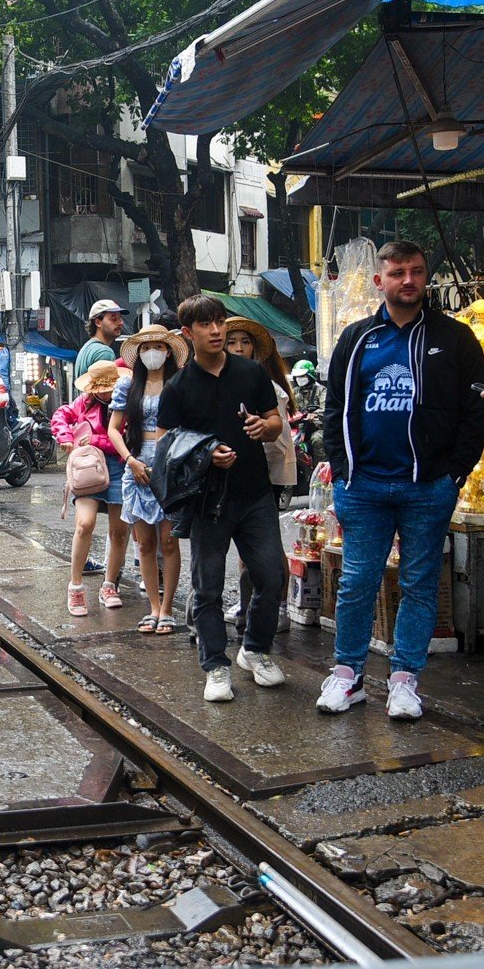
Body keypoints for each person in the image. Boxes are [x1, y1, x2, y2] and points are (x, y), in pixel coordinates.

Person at [316, 242, 484, 721]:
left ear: (425, 277)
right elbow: (335, 410)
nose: (408, 280)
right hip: (365, 486)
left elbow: (476, 410)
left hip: (428, 486)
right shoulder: (355, 339)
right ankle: (347, 675)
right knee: (356, 583)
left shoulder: (454, 338)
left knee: (419, 584)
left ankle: (405, 680)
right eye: (397, 273)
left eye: (416, 271)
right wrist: (344, 469)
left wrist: (455, 472)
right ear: (380, 281)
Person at [158, 294, 288, 702]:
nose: (216, 331)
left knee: (272, 576)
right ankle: (215, 664)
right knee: (208, 587)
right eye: (206, 325)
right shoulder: (177, 388)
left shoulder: (250, 372)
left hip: (255, 494)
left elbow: (274, 420)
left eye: (220, 323)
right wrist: (206, 453)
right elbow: (166, 446)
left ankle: (255, 649)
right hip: (208, 502)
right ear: (187, 333)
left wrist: (262, 428)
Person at [108, 324, 187, 634]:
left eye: (159, 345)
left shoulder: (179, 384)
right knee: (144, 544)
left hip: (171, 468)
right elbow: (114, 428)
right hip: (136, 467)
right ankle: (153, 608)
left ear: (168, 350)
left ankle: (168, 610)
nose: (152, 351)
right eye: (146, 346)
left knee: (169, 542)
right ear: (138, 353)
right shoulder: (128, 387)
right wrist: (130, 459)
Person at [223, 317, 299, 633]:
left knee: (265, 548)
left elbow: (277, 438)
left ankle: (277, 606)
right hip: (239, 474)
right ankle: (252, 603)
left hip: (264, 476)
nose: (239, 348)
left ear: (256, 348)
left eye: (245, 342)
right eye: (232, 342)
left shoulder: (266, 385)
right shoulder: (229, 380)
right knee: (248, 548)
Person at [52, 361, 133, 617]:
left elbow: (128, 439)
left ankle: (109, 585)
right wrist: (65, 437)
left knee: (119, 531)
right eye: (100, 388)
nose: (105, 393)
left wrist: (97, 439)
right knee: (84, 524)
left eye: (108, 387)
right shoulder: (85, 402)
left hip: (120, 467)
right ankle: (75, 585)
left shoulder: (128, 402)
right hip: (89, 467)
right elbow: (60, 415)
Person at [76, 299, 128, 376]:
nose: (121, 322)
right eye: (114, 319)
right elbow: (105, 387)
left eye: (120, 318)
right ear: (98, 322)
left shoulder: (88, 347)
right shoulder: (104, 352)